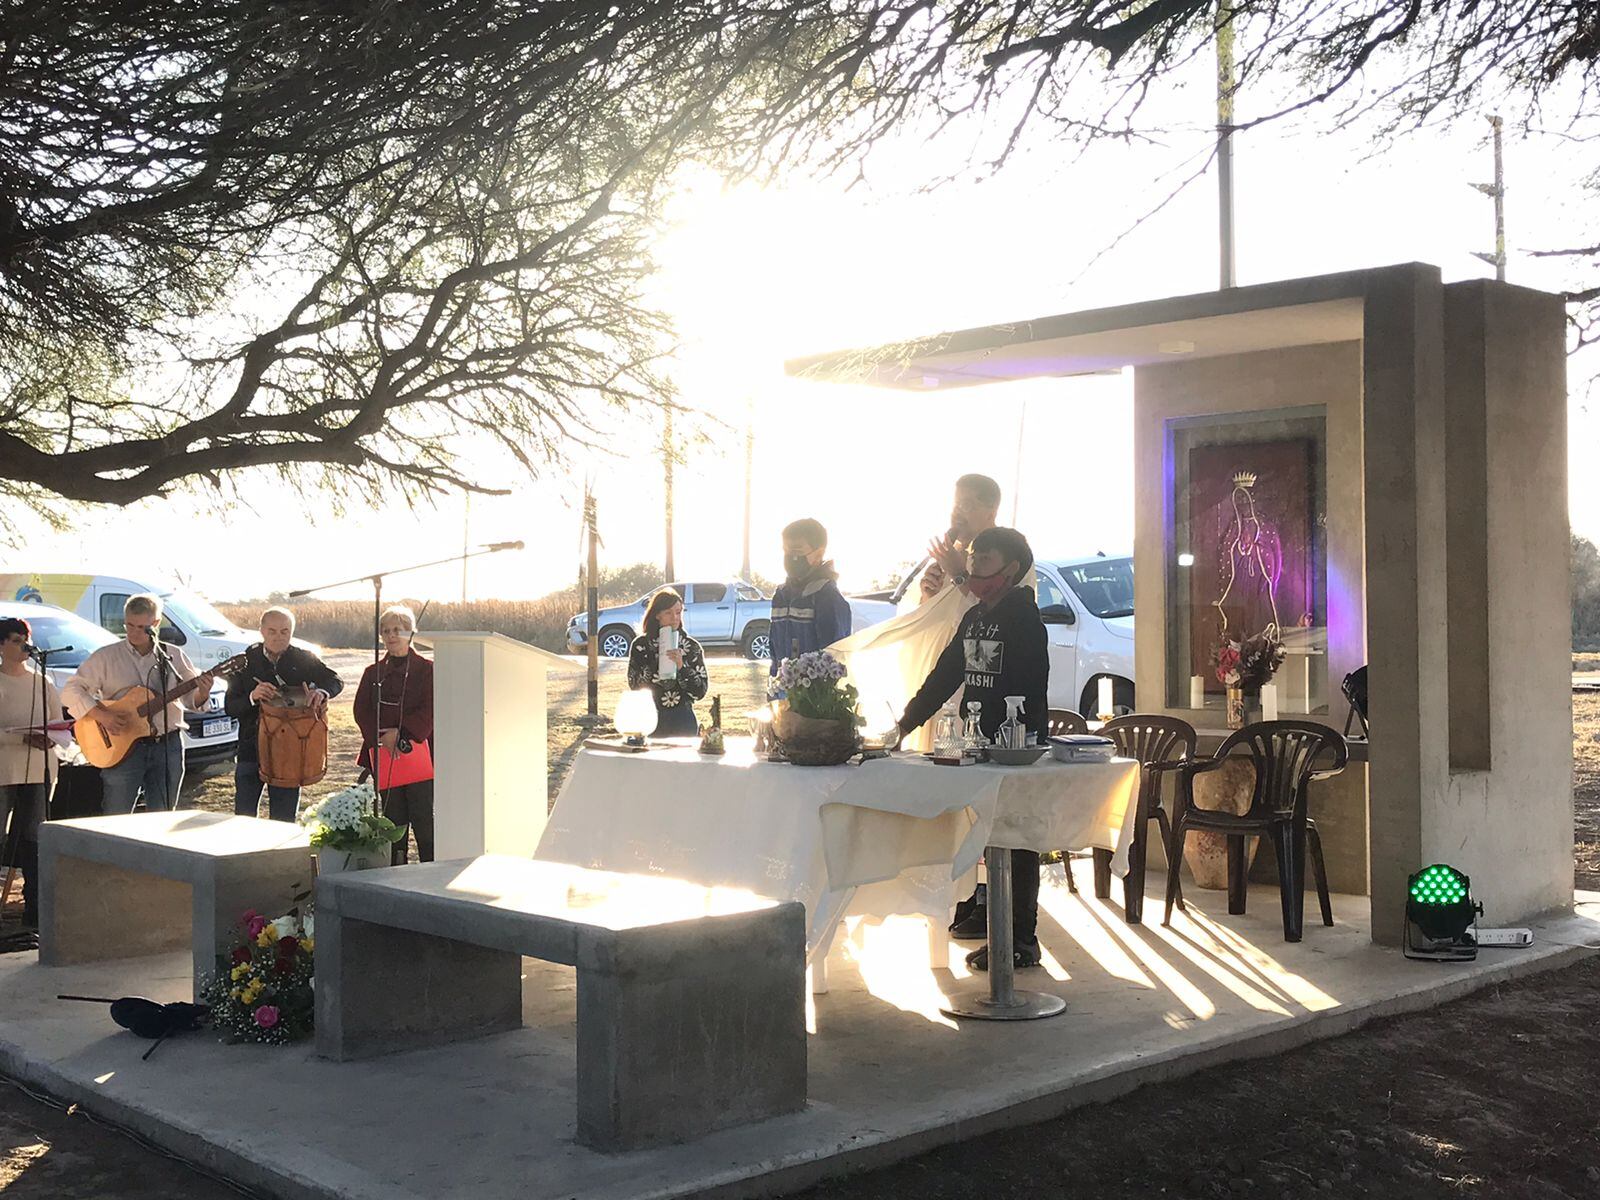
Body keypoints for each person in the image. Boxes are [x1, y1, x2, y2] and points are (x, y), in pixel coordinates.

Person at [896, 527, 1050, 971]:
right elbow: (947, 675)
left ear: (1011, 570)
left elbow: (1026, 686)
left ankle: (1021, 937)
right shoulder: (974, 617)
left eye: (984, 561)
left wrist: (1011, 735)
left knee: (1016, 841)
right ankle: (993, 925)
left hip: (1015, 748)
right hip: (976, 743)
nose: (973, 568)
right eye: (973, 558)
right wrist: (905, 723)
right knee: (988, 839)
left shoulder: (1025, 619)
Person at [62, 594, 213, 814]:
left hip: (167, 745)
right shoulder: (106, 657)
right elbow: (70, 690)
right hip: (122, 749)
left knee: (163, 816)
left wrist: (203, 692)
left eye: (142, 627)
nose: (134, 632)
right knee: (116, 815)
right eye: (129, 625)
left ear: (156, 624)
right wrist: (102, 716)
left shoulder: (173, 656)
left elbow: (191, 700)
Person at [226, 607, 343, 822]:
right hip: (250, 749)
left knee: (283, 820)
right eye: (272, 631)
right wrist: (252, 696)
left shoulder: (303, 658)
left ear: (292, 631)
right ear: (261, 630)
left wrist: (321, 692)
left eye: (284, 631)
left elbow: (335, 680)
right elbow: (230, 707)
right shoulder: (245, 661)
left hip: (290, 752)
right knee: (242, 819)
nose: (278, 637)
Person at [354, 605, 434, 864]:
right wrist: (380, 738)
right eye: (386, 631)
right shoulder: (372, 673)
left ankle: (430, 869)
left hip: (419, 754)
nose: (391, 636)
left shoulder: (427, 669)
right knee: (392, 819)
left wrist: (402, 735)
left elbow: (430, 708)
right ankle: (395, 869)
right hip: (383, 755)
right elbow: (361, 710)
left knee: (423, 817)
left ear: (411, 632)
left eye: (397, 630)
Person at [0, 617, 63, 929]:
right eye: (14, 639)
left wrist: (52, 737)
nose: (22, 645)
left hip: (38, 770)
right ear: (1, 646)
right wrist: (21, 737)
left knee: (35, 838)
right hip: (3, 771)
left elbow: (58, 721)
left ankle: (35, 910)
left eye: (24, 639)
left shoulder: (43, 682)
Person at [769, 518, 852, 673]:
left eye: (796, 552)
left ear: (819, 554)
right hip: (784, 691)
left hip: (814, 694)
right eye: (786, 551)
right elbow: (774, 650)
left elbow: (834, 658)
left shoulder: (828, 598)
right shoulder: (781, 596)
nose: (789, 557)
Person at [626, 589, 708, 736]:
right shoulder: (641, 645)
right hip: (650, 717)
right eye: (668, 613)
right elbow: (634, 686)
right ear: (657, 615)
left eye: (678, 612)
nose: (674, 618)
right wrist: (657, 660)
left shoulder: (691, 647)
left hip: (682, 718)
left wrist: (681, 666)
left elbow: (700, 691)